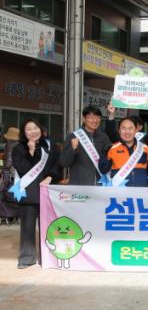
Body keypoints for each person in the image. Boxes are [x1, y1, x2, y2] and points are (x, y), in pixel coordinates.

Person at [10, 119, 60, 269]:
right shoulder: (18, 148)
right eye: (29, 129)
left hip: (47, 192)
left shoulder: (50, 146)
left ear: (41, 129)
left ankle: (48, 257)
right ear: (24, 133)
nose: (33, 131)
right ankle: (27, 258)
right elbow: (22, 169)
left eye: (35, 128)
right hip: (28, 194)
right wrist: (30, 152)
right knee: (27, 227)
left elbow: (57, 164)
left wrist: (50, 177)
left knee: (48, 227)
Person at [99, 118, 148, 187]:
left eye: (130, 128)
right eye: (123, 128)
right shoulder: (112, 149)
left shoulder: (145, 148)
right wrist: (104, 155)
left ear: (136, 130)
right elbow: (103, 170)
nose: (127, 132)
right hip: (119, 192)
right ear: (119, 131)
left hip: (141, 191)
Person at [59, 106, 111, 185]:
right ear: (84, 119)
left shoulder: (104, 137)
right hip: (79, 187)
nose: (95, 120)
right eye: (91, 117)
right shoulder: (73, 136)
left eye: (98, 117)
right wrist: (72, 149)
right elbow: (63, 162)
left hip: (100, 185)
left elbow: (110, 157)